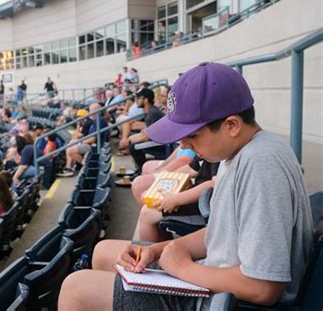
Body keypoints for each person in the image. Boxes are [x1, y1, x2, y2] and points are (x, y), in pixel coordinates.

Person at [58, 62, 313, 310]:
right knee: (103, 252)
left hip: (226, 299)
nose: (184, 145)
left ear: (232, 125)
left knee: (76, 289)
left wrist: (183, 268)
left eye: (192, 135)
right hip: (214, 278)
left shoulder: (260, 165)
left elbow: (263, 287)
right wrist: (163, 249)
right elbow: (223, 232)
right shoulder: (236, 152)